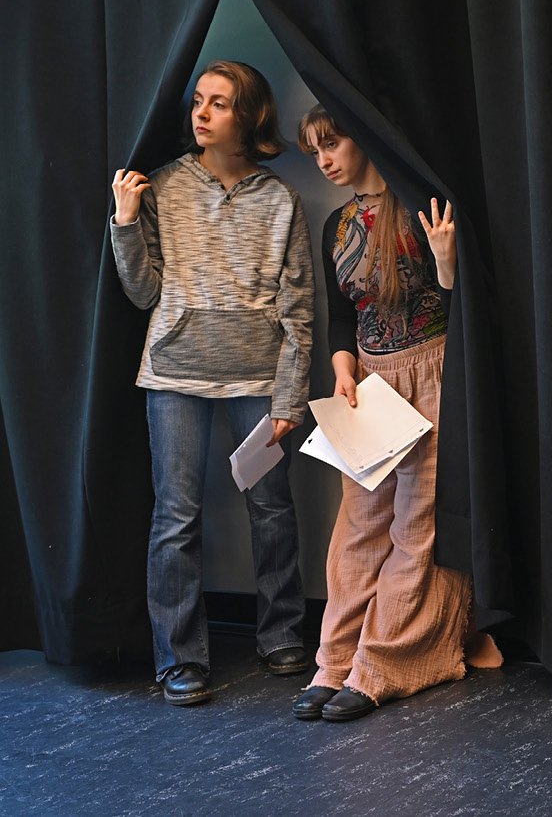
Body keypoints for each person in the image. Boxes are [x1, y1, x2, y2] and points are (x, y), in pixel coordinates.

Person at [110, 60, 314, 706]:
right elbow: (142, 291)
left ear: (249, 117)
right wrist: (124, 220)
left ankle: (282, 633)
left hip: (257, 379)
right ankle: (179, 657)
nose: (201, 113)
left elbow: (300, 310)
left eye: (218, 104)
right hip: (174, 377)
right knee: (177, 517)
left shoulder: (281, 200)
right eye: (198, 101)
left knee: (272, 510)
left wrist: (289, 398)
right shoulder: (165, 186)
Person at [290, 106, 501, 723]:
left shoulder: (418, 210)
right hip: (374, 385)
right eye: (314, 150)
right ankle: (336, 662)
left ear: (363, 138)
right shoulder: (337, 224)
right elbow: (339, 311)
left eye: (331, 143)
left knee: (417, 525)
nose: (324, 159)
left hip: (432, 371)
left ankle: (384, 665)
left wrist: (445, 259)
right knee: (359, 525)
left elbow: (464, 301)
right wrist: (343, 366)